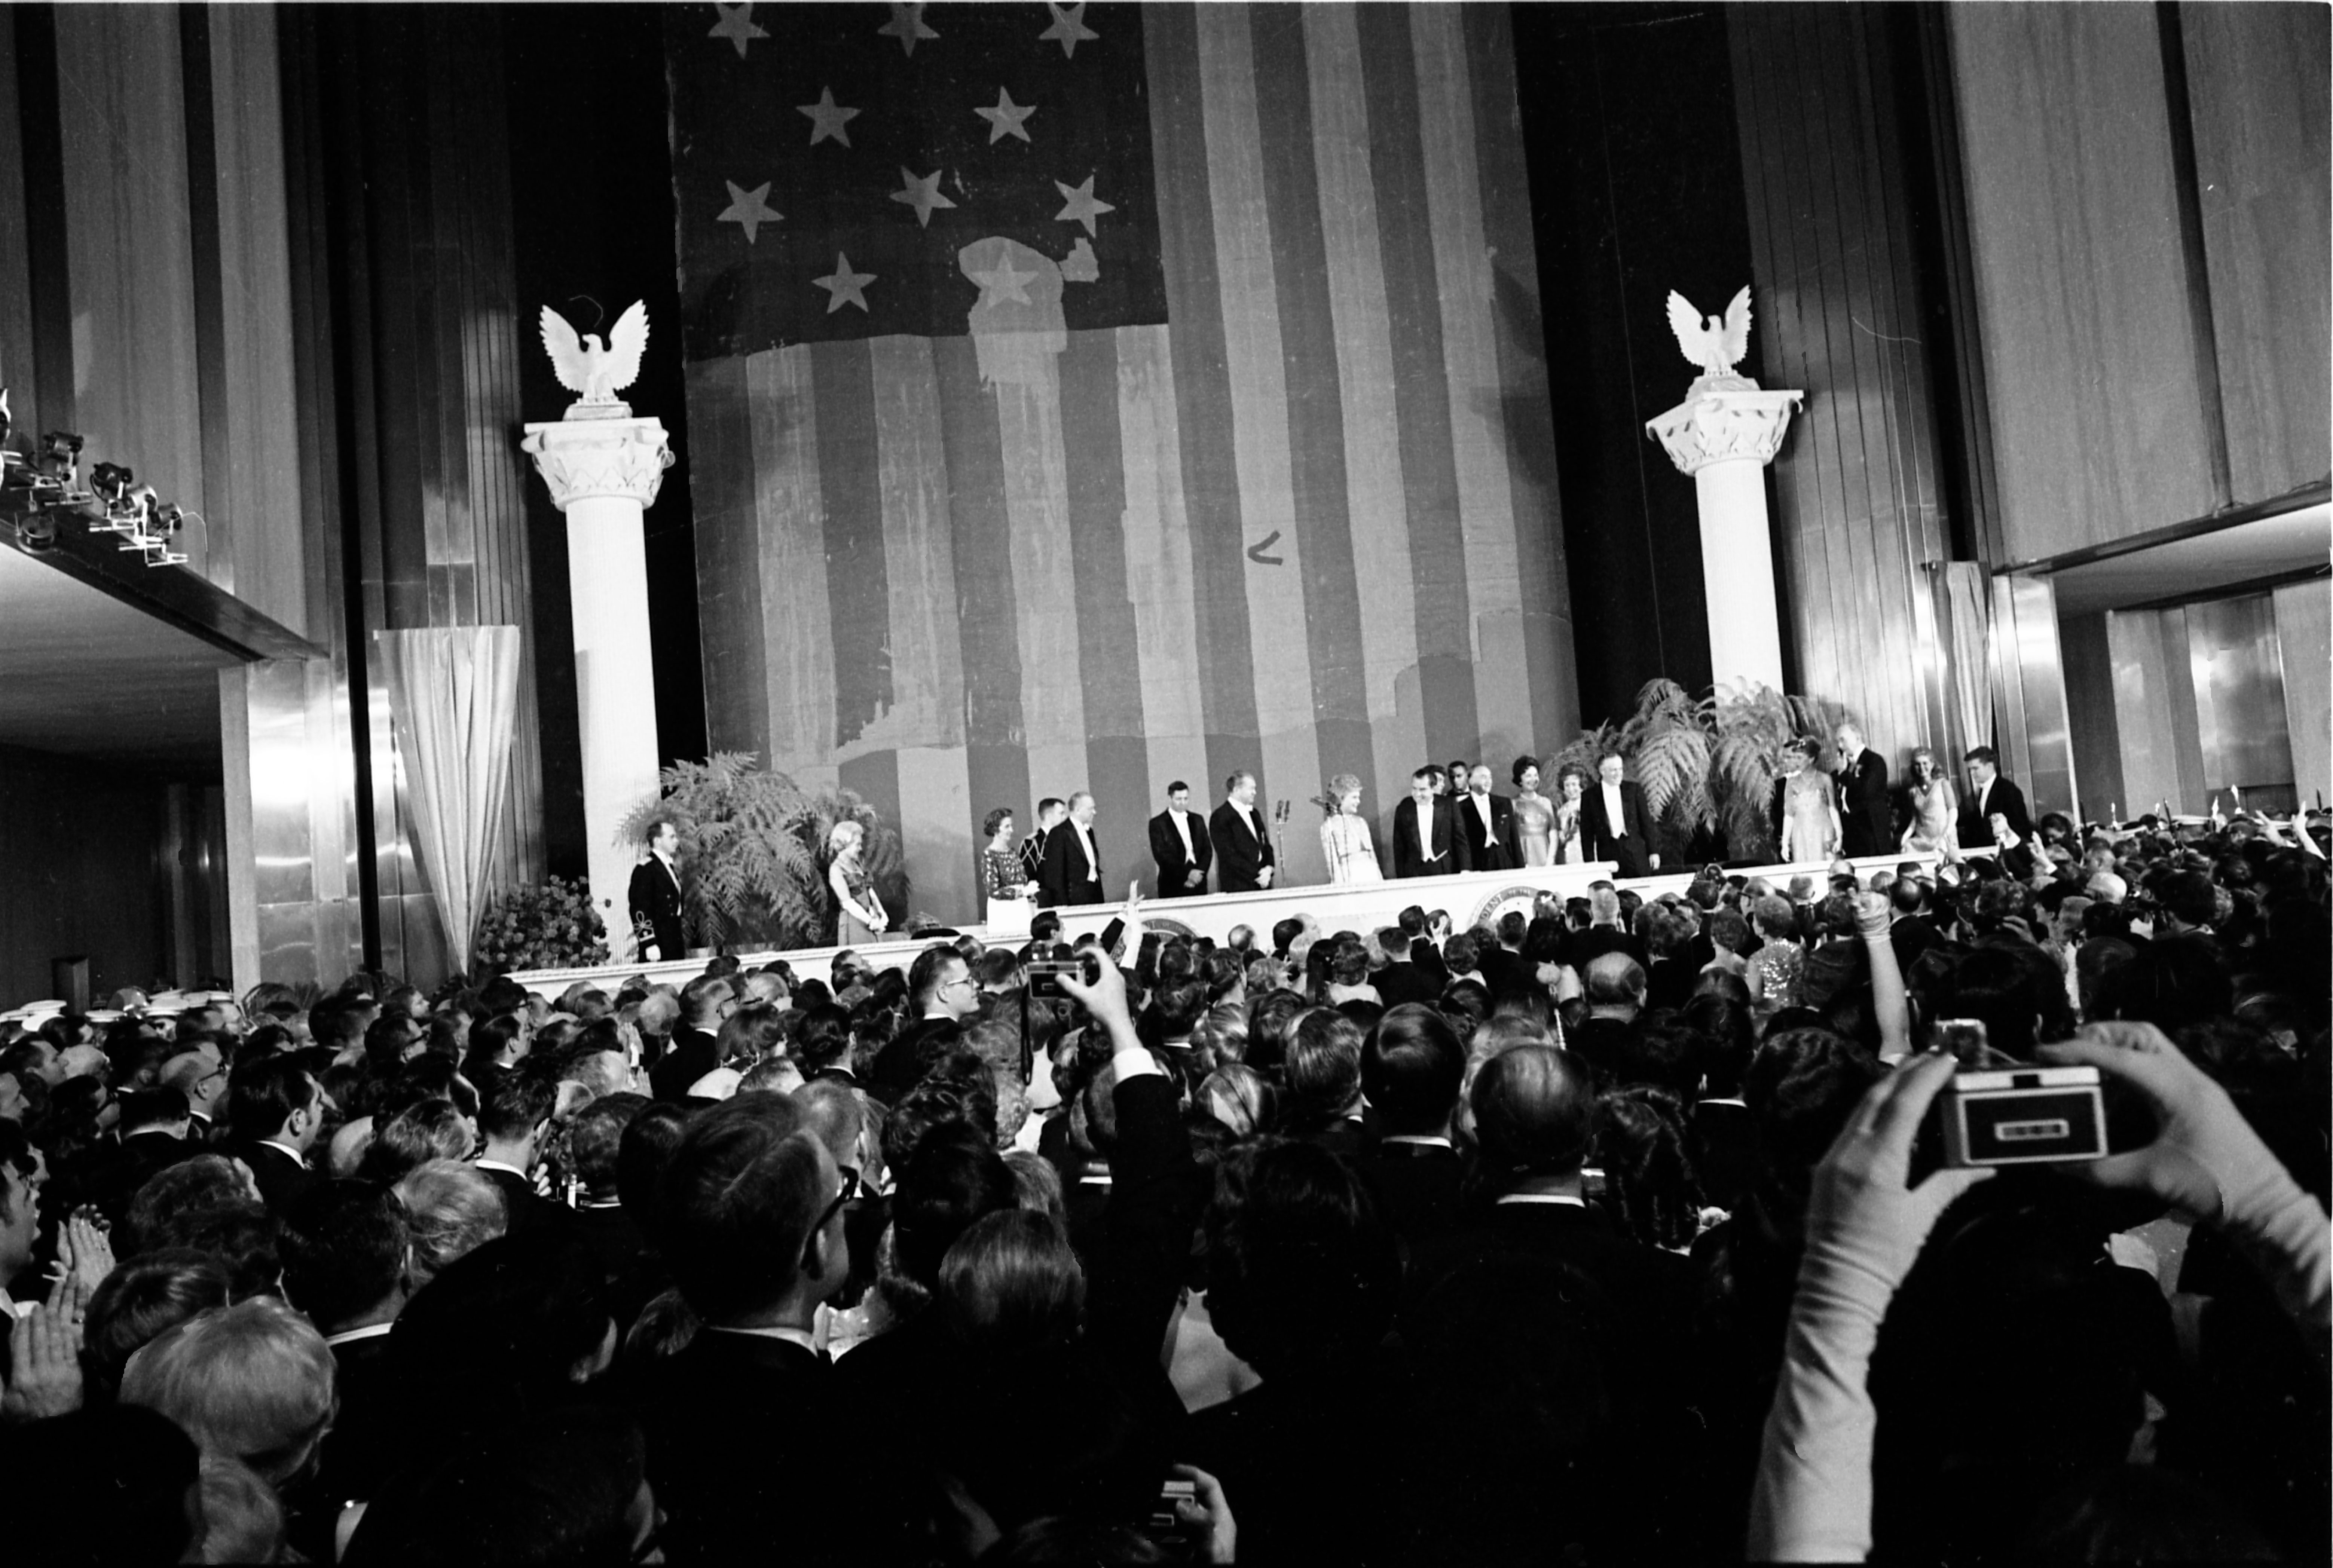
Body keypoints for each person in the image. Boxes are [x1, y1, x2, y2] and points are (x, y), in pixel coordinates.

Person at [1580, 750, 1658, 877]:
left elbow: (1646, 823)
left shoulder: (1634, 790)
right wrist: (1590, 865)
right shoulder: (1590, 797)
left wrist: (1654, 852)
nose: (1618, 774)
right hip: (1608, 853)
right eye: (1613, 770)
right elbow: (1587, 834)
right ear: (1602, 771)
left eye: (1620, 769)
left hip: (1635, 851)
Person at [1957, 745, 2036, 867]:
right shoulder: (1984, 790)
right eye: (1970, 770)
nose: (1972, 774)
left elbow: (2019, 825)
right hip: (1992, 852)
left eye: (1975, 769)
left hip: (2010, 856)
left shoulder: (2009, 790)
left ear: (1989, 766)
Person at [626, 818, 686, 963]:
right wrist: (649, 942)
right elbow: (639, 908)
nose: (676, 841)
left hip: (674, 941)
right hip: (658, 943)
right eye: (672, 837)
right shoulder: (646, 869)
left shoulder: (669, 867)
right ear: (658, 841)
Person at [1831, 723, 1892, 858]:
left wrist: (1843, 774)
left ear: (1858, 738)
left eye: (1843, 740)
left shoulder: (1874, 761)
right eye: (1838, 742)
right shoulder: (1843, 767)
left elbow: (1866, 792)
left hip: (1871, 829)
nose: (1840, 746)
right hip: (1852, 832)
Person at [1211, 771, 1276, 892]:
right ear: (1237, 790)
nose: (1255, 793)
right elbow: (1228, 855)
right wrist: (1259, 876)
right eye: (1251, 789)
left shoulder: (1255, 814)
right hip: (1239, 886)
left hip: (1263, 885)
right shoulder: (1220, 816)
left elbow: (1266, 845)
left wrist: (1269, 869)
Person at [1780, 737, 1842, 863]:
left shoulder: (1825, 779)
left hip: (1823, 832)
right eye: (1795, 758)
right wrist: (1785, 843)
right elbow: (1789, 815)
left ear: (1811, 759)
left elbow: (1832, 808)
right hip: (1801, 834)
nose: (1797, 762)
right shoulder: (1791, 783)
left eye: (1800, 758)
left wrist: (1840, 835)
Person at [1149, 780, 1214, 898]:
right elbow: (1162, 856)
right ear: (1170, 799)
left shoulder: (1198, 820)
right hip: (1173, 884)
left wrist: (1199, 874)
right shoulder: (1158, 823)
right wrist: (1187, 874)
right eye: (1179, 799)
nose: (1183, 803)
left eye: (1186, 799)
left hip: (1199, 883)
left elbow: (1207, 850)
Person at [1040, 790, 1106, 908]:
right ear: (1078, 810)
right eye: (1090, 809)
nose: (1094, 813)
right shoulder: (1059, 833)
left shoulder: (1089, 832)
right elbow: (1055, 873)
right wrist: (1062, 904)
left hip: (1094, 894)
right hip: (1074, 899)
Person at [1392, 767, 1458, 879]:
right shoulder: (1404, 808)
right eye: (1414, 789)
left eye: (1423, 790)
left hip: (1444, 867)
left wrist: (1466, 870)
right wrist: (1401, 877)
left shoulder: (1448, 804)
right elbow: (1399, 846)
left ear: (1433, 788)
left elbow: (1460, 839)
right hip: (1414, 870)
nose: (1417, 794)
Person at [981, 807, 1038, 935]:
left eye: (1011, 826)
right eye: (1007, 827)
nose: (1011, 830)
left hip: (1021, 907)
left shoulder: (1012, 853)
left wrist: (1028, 890)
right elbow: (993, 891)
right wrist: (1020, 892)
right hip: (1003, 910)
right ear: (996, 829)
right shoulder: (990, 855)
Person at [828, 819, 887, 943]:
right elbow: (848, 903)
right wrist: (870, 921)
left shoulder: (858, 864)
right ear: (845, 844)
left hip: (871, 918)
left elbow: (869, 889)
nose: (860, 849)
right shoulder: (836, 869)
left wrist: (881, 913)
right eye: (857, 845)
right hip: (855, 921)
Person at [1319, 773, 1383, 885]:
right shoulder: (1329, 826)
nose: (1358, 802)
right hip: (1348, 878)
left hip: (1371, 874)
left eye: (1358, 797)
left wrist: (1380, 880)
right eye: (1354, 797)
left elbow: (1372, 855)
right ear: (1341, 799)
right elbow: (1333, 862)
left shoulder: (1362, 823)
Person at [1455, 763, 1517, 872]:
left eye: (1490, 777)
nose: (1489, 781)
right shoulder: (1460, 808)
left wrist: (1520, 867)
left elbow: (1514, 837)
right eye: (1484, 777)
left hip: (1503, 859)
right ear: (1470, 781)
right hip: (1477, 861)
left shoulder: (1504, 803)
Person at [1901, 746, 1959, 854]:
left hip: (1943, 837)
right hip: (1923, 839)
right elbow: (1916, 819)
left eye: (1925, 763)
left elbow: (1953, 811)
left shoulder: (1943, 784)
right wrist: (1906, 836)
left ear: (1932, 764)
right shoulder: (1914, 791)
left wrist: (1946, 835)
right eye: (1918, 764)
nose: (1922, 768)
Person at [1511, 756, 1556, 867]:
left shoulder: (1546, 802)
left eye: (1536, 775)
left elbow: (1553, 832)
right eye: (1528, 776)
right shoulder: (1513, 804)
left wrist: (1551, 859)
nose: (1533, 780)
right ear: (1520, 780)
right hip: (1525, 857)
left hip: (1545, 855)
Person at [1020, 797, 1067, 889]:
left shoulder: (1066, 839)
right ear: (1049, 816)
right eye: (1061, 814)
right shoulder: (1033, 842)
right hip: (1046, 897)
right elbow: (1028, 875)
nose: (1065, 817)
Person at [1551, 762, 1590, 864]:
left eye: (1574, 784)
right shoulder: (1563, 810)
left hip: (1585, 851)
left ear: (1582, 785)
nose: (1571, 789)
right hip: (1569, 852)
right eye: (1567, 785)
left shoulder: (1588, 804)